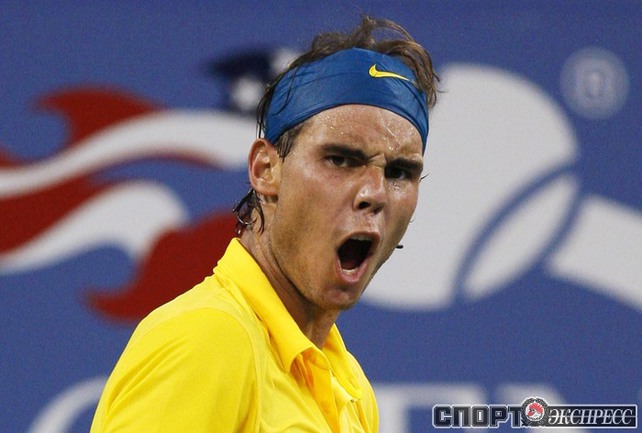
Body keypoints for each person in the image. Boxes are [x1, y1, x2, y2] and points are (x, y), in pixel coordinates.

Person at [90, 15, 438, 433]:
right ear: (265, 169)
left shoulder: (351, 387)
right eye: (341, 160)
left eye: (399, 172)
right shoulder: (207, 341)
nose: (375, 193)